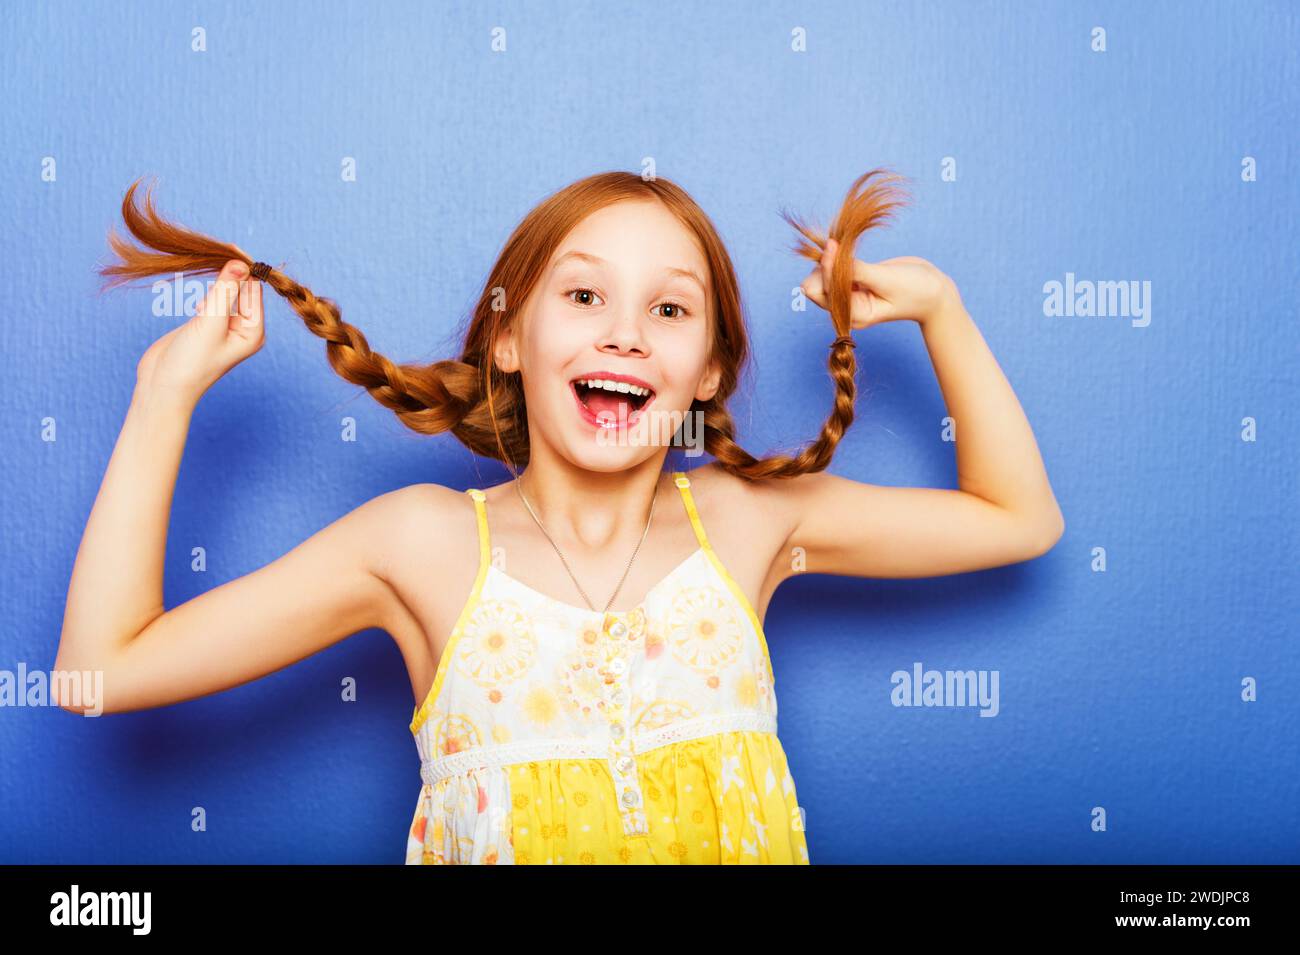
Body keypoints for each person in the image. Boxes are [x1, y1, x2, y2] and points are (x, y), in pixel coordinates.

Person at [54, 169, 1064, 864]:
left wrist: (944, 312)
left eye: (669, 310)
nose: (624, 332)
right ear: (507, 337)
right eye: (583, 296)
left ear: (707, 371)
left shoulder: (750, 519)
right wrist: (163, 398)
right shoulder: (422, 542)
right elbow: (103, 671)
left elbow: (1016, 518)